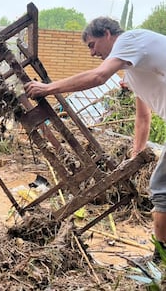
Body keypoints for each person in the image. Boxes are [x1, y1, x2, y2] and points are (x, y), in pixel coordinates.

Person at [24, 17, 166, 261]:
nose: (92, 53)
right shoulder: (132, 72)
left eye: (92, 45)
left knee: (161, 190)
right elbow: (143, 116)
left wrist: (48, 88)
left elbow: (98, 77)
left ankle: (161, 257)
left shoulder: (131, 39)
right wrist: (135, 156)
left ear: (108, 34)